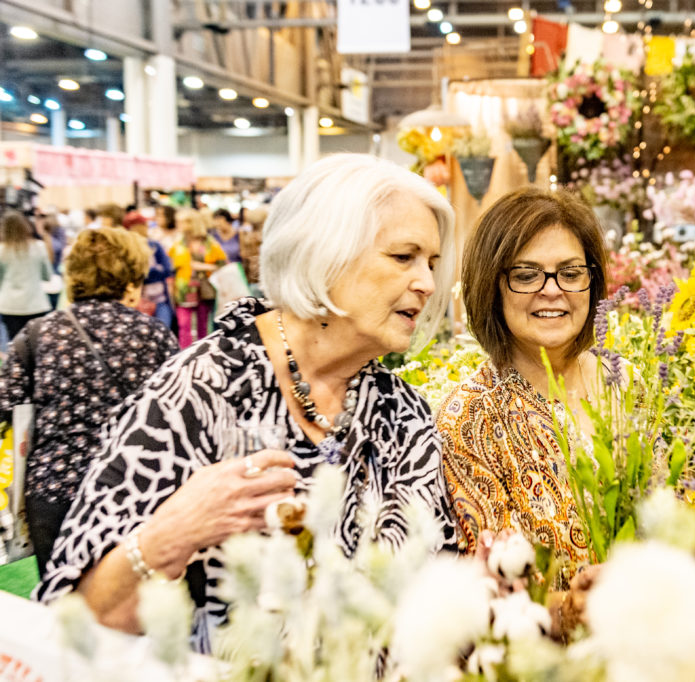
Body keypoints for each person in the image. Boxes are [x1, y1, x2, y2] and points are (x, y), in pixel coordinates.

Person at [35, 153, 459, 652]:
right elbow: (77, 618)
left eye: (432, 263)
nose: (427, 284)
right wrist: (171, 533)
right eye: (403, 257)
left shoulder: (402, 413)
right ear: (323, 252)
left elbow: (434, 588)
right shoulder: (199, 392)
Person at [436, 187, 609, 591]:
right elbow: (495, 588)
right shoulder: (469, 420)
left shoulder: (629, 385)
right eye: (526, 274)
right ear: (491, 287)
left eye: (570, 272)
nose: (552, 290)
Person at [0, 228, 178, 573]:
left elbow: (4, 403)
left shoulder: (38, 333)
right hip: (134, 488)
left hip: (54, 491)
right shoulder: (154, 335)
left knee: (61, 608)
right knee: (128, 612)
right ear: (130, 279)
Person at [169, 209, 227, 347]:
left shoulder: (209, 243)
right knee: (184, 326)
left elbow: (222, 264)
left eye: (183, 222)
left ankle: (203, 352)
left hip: (205, 289)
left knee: (203, 325)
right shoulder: (178, 243)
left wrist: (203, 267)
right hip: (184, 289)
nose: (179, 225)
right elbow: (171, 267)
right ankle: (185, 354)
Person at [0, 211, 53, 340]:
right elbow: (47, 276)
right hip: (36, 304)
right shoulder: (39, 247)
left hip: (9, 306)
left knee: (15, 345)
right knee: (36, 345)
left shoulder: (1, 250)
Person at [123, 211, 175, 330]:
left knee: (164, 331)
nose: (147, 227)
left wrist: (145, 272)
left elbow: (167, 270)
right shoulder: (126, 248)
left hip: (160, 300)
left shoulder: (155, 245)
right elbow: (130, 274)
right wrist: (154, 270)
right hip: (136, 302)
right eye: (143, 224)